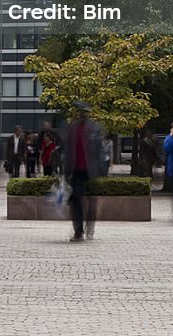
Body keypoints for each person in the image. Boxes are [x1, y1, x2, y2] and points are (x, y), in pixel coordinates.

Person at [64, 102, 102, 242]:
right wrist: (66, 172)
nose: (81, 114)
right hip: (76, 170)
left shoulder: (94, 128)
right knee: (76, 200)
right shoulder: (72, 128)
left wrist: (101, 169)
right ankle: (78, 232)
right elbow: (67, 151)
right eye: (80, 112)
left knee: (92, 201)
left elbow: (100, 150)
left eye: (84, 112)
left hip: (90, 170)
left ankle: (90, 227)